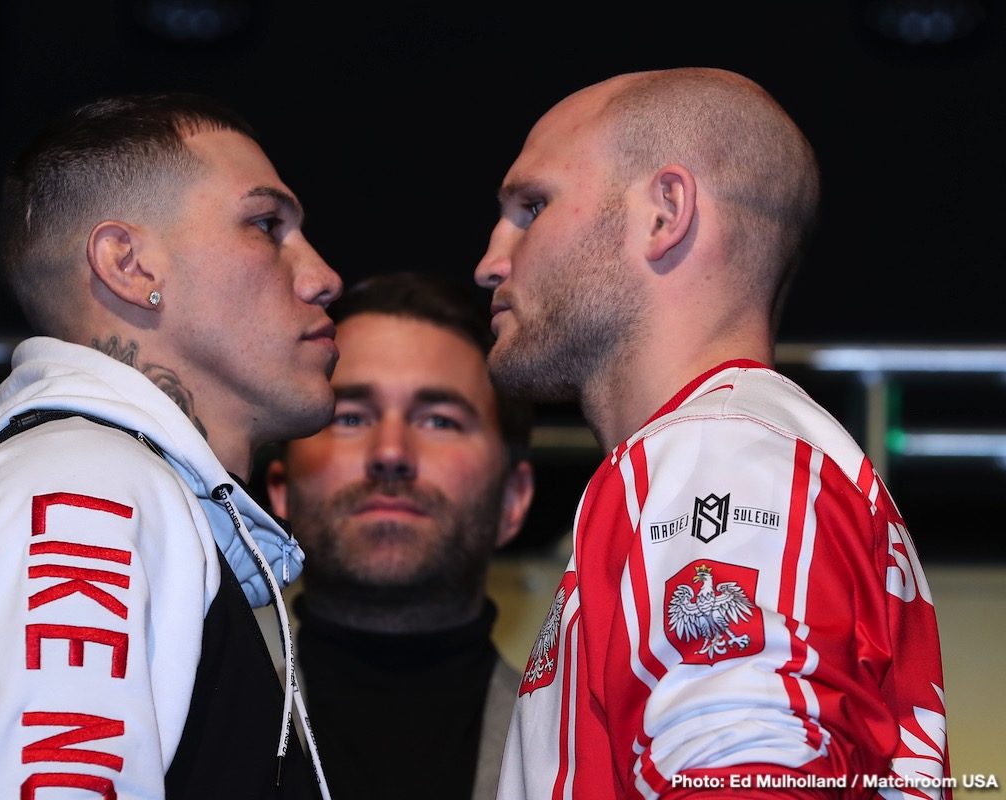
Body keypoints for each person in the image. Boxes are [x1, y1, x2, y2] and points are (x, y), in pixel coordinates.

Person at [0, 92, 342, 799]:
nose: (324, 276)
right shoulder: (86, 484)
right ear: (129, 265)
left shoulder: (112, 486)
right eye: (266, 225)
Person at [474, 67, 951, 798]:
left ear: (665, 213)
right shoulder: (741, 453)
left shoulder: (715, 453)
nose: (490, 263)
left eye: (533, 207)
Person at [263, 271, 536, 800]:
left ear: (513, 499)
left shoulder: (600, 757)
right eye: (349, 417)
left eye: (438, 421)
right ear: (281, 490)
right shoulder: (177, 740)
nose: (390, 453)